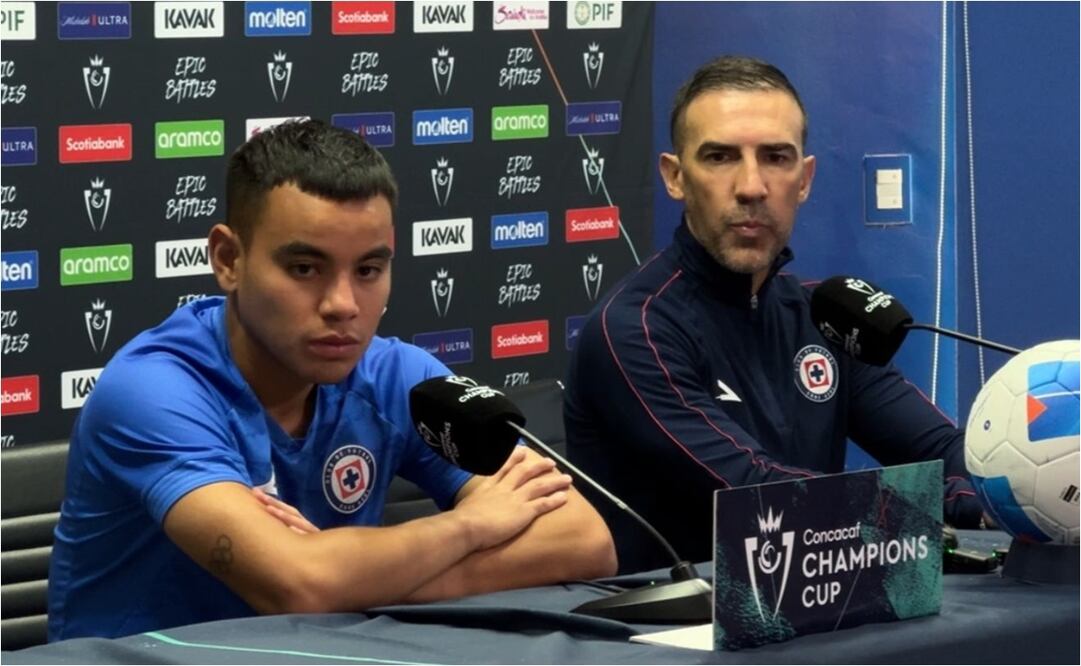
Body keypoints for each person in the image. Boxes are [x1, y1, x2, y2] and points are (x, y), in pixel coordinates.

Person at [48, 120, 616, 640]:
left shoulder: (398, 376)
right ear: (228, 259)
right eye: (304, 268)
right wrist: (468, 527)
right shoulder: (153, 390)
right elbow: (300, 586)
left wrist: (345, 578)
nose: (343, 305)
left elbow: (584, 540)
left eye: (369, 269)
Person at [563, 56, 984, 574]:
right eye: (719, 157)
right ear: (675, 177)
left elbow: (947, 451)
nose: (752, 186)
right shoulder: (636, 328)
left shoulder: (825, 317)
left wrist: (1010, 493)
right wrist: (923, 524)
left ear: (804, 179)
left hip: (814, 609)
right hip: (669, 637)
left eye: (776, 157)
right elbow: (755, 494)